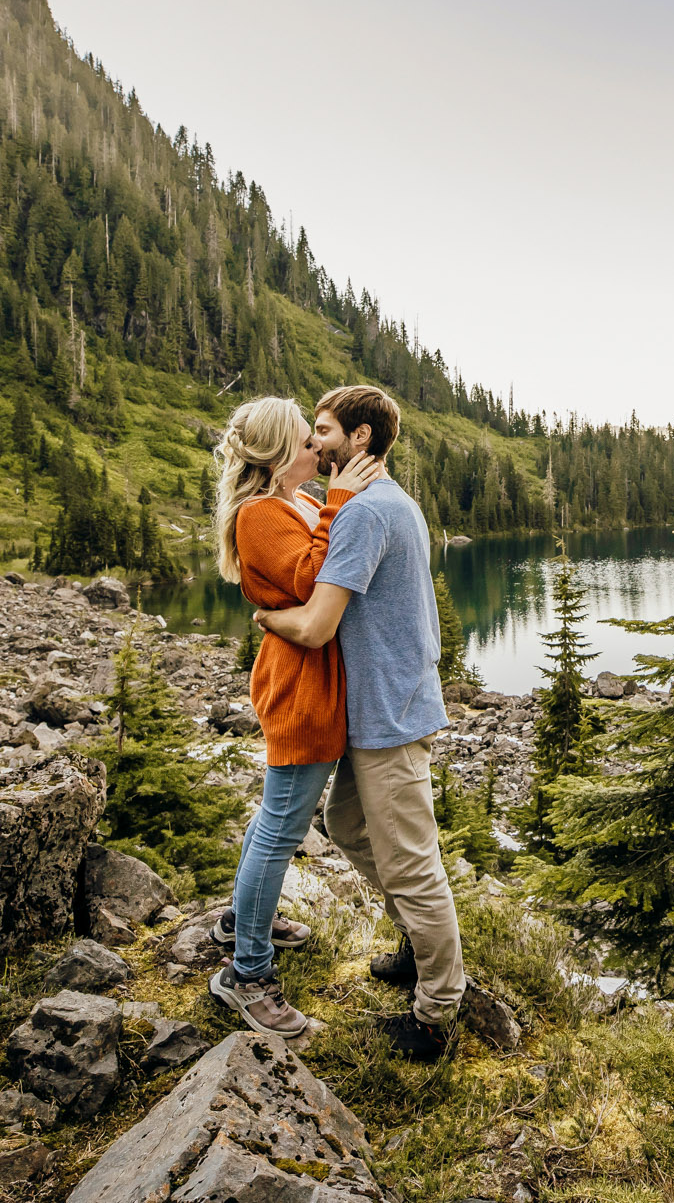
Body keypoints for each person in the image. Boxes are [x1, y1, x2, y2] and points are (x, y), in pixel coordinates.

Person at [254, 384, 460, 1062]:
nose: (314, 443)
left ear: (359, 440)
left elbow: (314, 626)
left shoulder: (367, 513)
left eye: (323, 431)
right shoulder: (382, 502)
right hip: (382, 709)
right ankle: (419, 943)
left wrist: (266, 619)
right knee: (345, 826)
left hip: (389, 717)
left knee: (411, 864)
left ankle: (437, 1011)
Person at [204, 395, 382, 1039]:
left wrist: (334, 501)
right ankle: (247, 972)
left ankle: (242, 920)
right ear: (282, 454)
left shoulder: (290, 503)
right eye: (307, 441)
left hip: (312, 679)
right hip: (299, 688)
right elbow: (310, 580)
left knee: (276, 817)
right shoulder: (259, 515)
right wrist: (336, 502)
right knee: (283, 827)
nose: (319, 448)